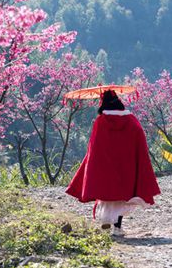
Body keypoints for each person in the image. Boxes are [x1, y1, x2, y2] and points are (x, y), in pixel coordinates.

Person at [65, 89, 160, 236]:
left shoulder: (101, 121)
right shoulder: (131, 120)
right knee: (122, 197)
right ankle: (117, 227)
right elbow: (139, 141)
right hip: (126, 166)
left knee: (107, 193)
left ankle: (106, 221)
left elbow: (94, 146)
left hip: (106, 166)